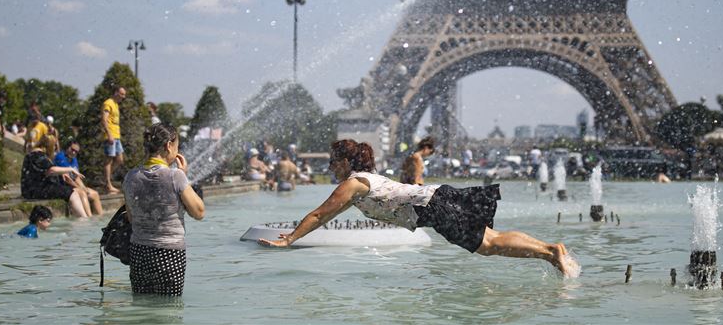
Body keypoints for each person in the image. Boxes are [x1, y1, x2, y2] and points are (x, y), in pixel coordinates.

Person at [258, 140, 578, 277]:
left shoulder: (353, 183)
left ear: (345, 161)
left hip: (433, 206)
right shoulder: (369, 178)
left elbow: (319, 214)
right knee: (492, 238)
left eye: (332, 161)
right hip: (436, 198)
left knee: (488, 246)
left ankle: (551, 252)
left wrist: (289, 240)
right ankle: (550, 251)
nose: (330, 166)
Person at [123, 123, 205, 296]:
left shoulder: (130, 176)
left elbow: (131, 218)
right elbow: (198, 212)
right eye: (177, 146)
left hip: (139, 252)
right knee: (169, 310)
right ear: (168, 145)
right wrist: (184, 175)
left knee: (142, 306)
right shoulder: (175, 176)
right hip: (169, 253)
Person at [21, 134, 89, 218]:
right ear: (49, 145)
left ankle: (85, 217)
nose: (55, 148)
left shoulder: (36, 154)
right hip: (34, 191)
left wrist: (61, 173)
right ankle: (83, 219)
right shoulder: (38, 154)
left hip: (34, 189)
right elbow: (51, 170)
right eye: (55, 146)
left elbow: (45, 172)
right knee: (71, 193)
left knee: (72, 190)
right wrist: (70, 169)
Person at [54, 140, 103, 215]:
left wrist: (83, 187)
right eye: (72, 149)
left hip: (73, 187)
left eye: (76, 151)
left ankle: (100, 218)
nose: (73, 152)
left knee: (94, 194)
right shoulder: (60, 157)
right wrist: (80, 188)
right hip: (63, 187)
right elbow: (67, 179)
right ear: (67, 147)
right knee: (82, 193)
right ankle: (89, 217)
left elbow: (76, 177)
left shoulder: (74, 159)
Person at [101, 86, 127, 193]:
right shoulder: (108, 103)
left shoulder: (116, 105)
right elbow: (104, 119)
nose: (123, 97)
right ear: (116, 92)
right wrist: (109, 134)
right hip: (110, 136)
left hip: (117, 136)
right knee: (109, 160)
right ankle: (108, 185)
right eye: (122, 94)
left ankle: (106, 179)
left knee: (120, 159)